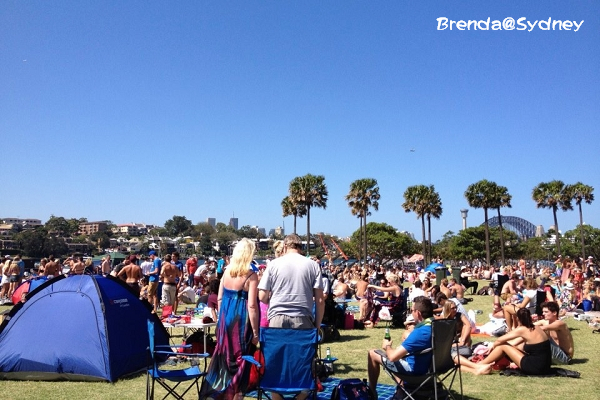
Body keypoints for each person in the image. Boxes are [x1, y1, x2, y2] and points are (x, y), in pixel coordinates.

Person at [258, 234, 324, 400]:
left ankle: (277, 396)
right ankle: (300, 396)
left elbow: (262, 296)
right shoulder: (312, 265)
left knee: (275, 358)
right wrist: (317, 325)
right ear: (300, 247)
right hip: (303, 317)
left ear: (285, 247)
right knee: (303, 359)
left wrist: (272, 298)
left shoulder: (273, 264)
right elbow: (320, 299)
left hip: (277, 318)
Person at [200, 238, 260, 400]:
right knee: (241, 364)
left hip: (224, 322)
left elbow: (219, 299)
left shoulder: (226, 272)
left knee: (224, 361)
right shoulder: (251, 276)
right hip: (241, 325)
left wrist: (223, 318)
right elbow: (252, 307)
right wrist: (255, 332)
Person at [367, 296, 434, 399]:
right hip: (432, 371)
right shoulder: (437, 327)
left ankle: (371, 392)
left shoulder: (420, 332)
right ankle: (402, 389)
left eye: (412, 311)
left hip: (414, 373)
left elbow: (393, 357)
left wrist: (387, 346)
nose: (411, 313)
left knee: (372, 353)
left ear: (418, 313)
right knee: (401, 356)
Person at [479, 308, 552, 375]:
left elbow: (499, 340)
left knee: (503, 346)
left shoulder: (522, 329)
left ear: (518, 319)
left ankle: (480, 364)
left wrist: (492, 347)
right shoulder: (537, 327)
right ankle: (486, 363)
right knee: (506, 346)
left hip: (535, 367)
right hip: (545, 366)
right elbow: (513, 343)